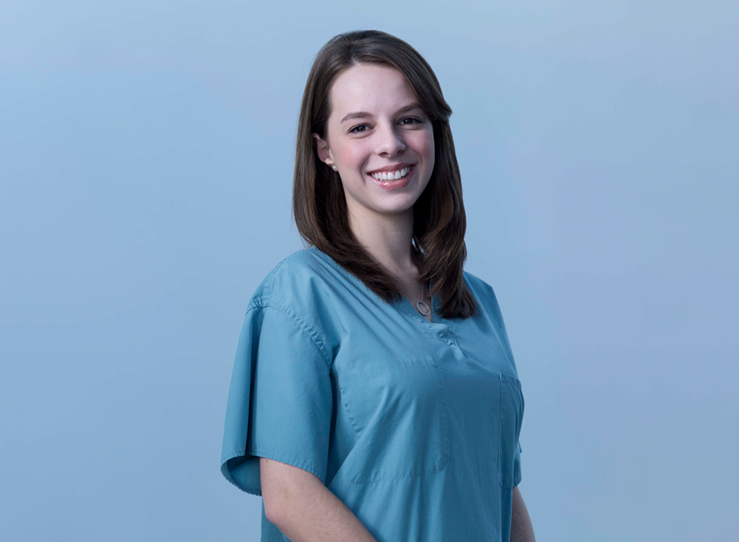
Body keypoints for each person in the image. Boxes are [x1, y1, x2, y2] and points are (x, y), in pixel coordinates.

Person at [220, 29, 536, 542]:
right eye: (360, 127)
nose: (390, 144)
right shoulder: (299, 297)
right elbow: (290, 495)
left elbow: (502, 485)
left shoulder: (477, 303)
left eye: (409, 120)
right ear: (324, 150)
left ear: (434, 132)